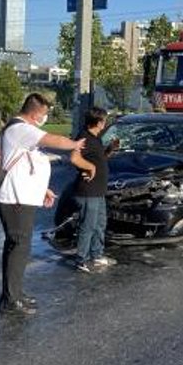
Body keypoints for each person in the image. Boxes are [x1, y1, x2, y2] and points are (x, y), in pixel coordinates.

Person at [0, 93, 85, 315]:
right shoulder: (21, 129)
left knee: (18, 246)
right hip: (15, 199)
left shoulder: (22, 131)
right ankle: (10, 300)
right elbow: (53, 140)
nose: (45, 118)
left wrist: (41, 189)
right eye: (44, 114)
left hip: (22, 197)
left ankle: (14, 293)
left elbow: (25, 163)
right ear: (35, 113)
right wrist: (73, 143)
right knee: (18, 247)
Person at [69, 107, 118, 273]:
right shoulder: (84, 138)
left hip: (98, 191)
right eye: (104, 120)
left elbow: (97, 159)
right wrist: (90, 167)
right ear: (98, 122)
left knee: (99, 224)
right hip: (88, 191)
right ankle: (81, 259)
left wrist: (109, 150)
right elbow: (74, 158)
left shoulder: (95, 139)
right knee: (88, 225)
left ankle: (96, 255)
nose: (105, 123)